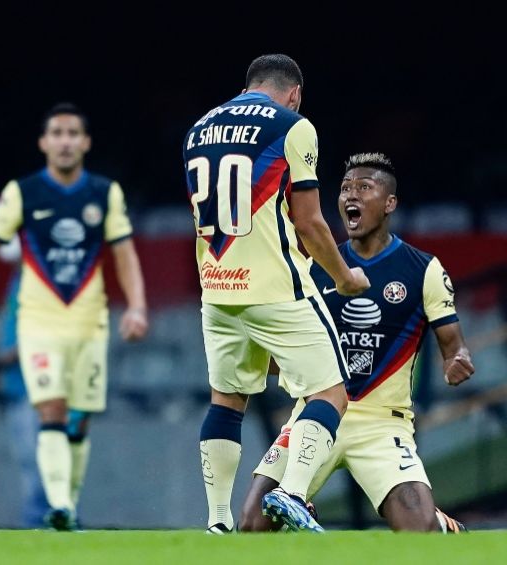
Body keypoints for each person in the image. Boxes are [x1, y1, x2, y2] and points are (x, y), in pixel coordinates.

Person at [0, 103, 148, 531]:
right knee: (52, 412)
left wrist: (137, 307)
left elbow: (124, 254)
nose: (64, 141)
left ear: (85, 142)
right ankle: (59, 505)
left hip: (88, 325)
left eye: (72, 134)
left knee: (78, 420)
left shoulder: (105, 194)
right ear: (44, 143)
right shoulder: (21, 193)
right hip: (40, 326)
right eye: (56, 134)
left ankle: (68, 505)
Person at [239, 152, 475, 533]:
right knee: (251, 526)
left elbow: (454, 344)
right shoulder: (316, 268)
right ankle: (300, 508)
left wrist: (457, 360)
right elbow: (286, 352)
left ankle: (439, 523)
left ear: (389, 203)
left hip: (382, 425)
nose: (351, 195)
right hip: (315, 416)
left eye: (364, 188)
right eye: (346, 187)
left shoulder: (423, 270)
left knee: (420, 533)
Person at [183, 54, 370, 533]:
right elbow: (308, 220)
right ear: (295, 93)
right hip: (277, 288)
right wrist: (345, 275)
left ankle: (218, 520)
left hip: (219, 290)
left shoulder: (199, 129)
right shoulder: (294, 125)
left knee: (226, 401)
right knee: (330, 391)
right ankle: (291, 492)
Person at [0, 236, 51, 527]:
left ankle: (44, 519)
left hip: (36, 388)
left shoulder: (37, 287)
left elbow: (35, 337)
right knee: (28, 459)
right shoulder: (18, 283)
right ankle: (40, 520)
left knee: (39, 459)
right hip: (18, 388)